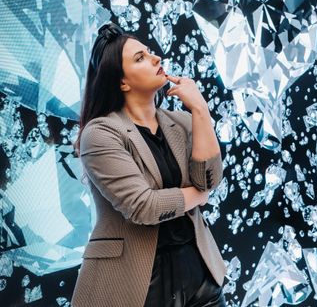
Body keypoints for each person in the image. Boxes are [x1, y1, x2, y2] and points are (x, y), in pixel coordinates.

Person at [71, 22, 227, 307]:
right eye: (140, 58)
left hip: (199, 274)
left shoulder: (180, 123)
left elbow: (209, 180)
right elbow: (143, 207)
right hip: (136, 284)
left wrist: (200, 109)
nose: (156, 58)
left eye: (150, 52)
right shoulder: (100, 133)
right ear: (122, 82)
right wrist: (198, 196)